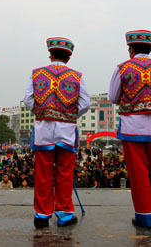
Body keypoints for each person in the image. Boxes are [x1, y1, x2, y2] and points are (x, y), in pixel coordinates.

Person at [109, 30, 151, 228]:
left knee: (138, 173)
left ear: (131, 49)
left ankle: (145, 216)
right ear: (150, 47)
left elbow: (113, 97)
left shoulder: (123, 68)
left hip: (132, 128)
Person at [24, 37, 91, 228]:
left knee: (43, 174)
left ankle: (42, 215)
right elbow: (85, 103)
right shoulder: (76, 76)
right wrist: (68, 114)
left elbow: (28, 99)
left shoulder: (36, 74)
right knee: (64, 173)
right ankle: (64, 214)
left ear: (50, 54)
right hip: (67, 130)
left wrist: (42, 113)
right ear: (68, 58)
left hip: (43, 130)